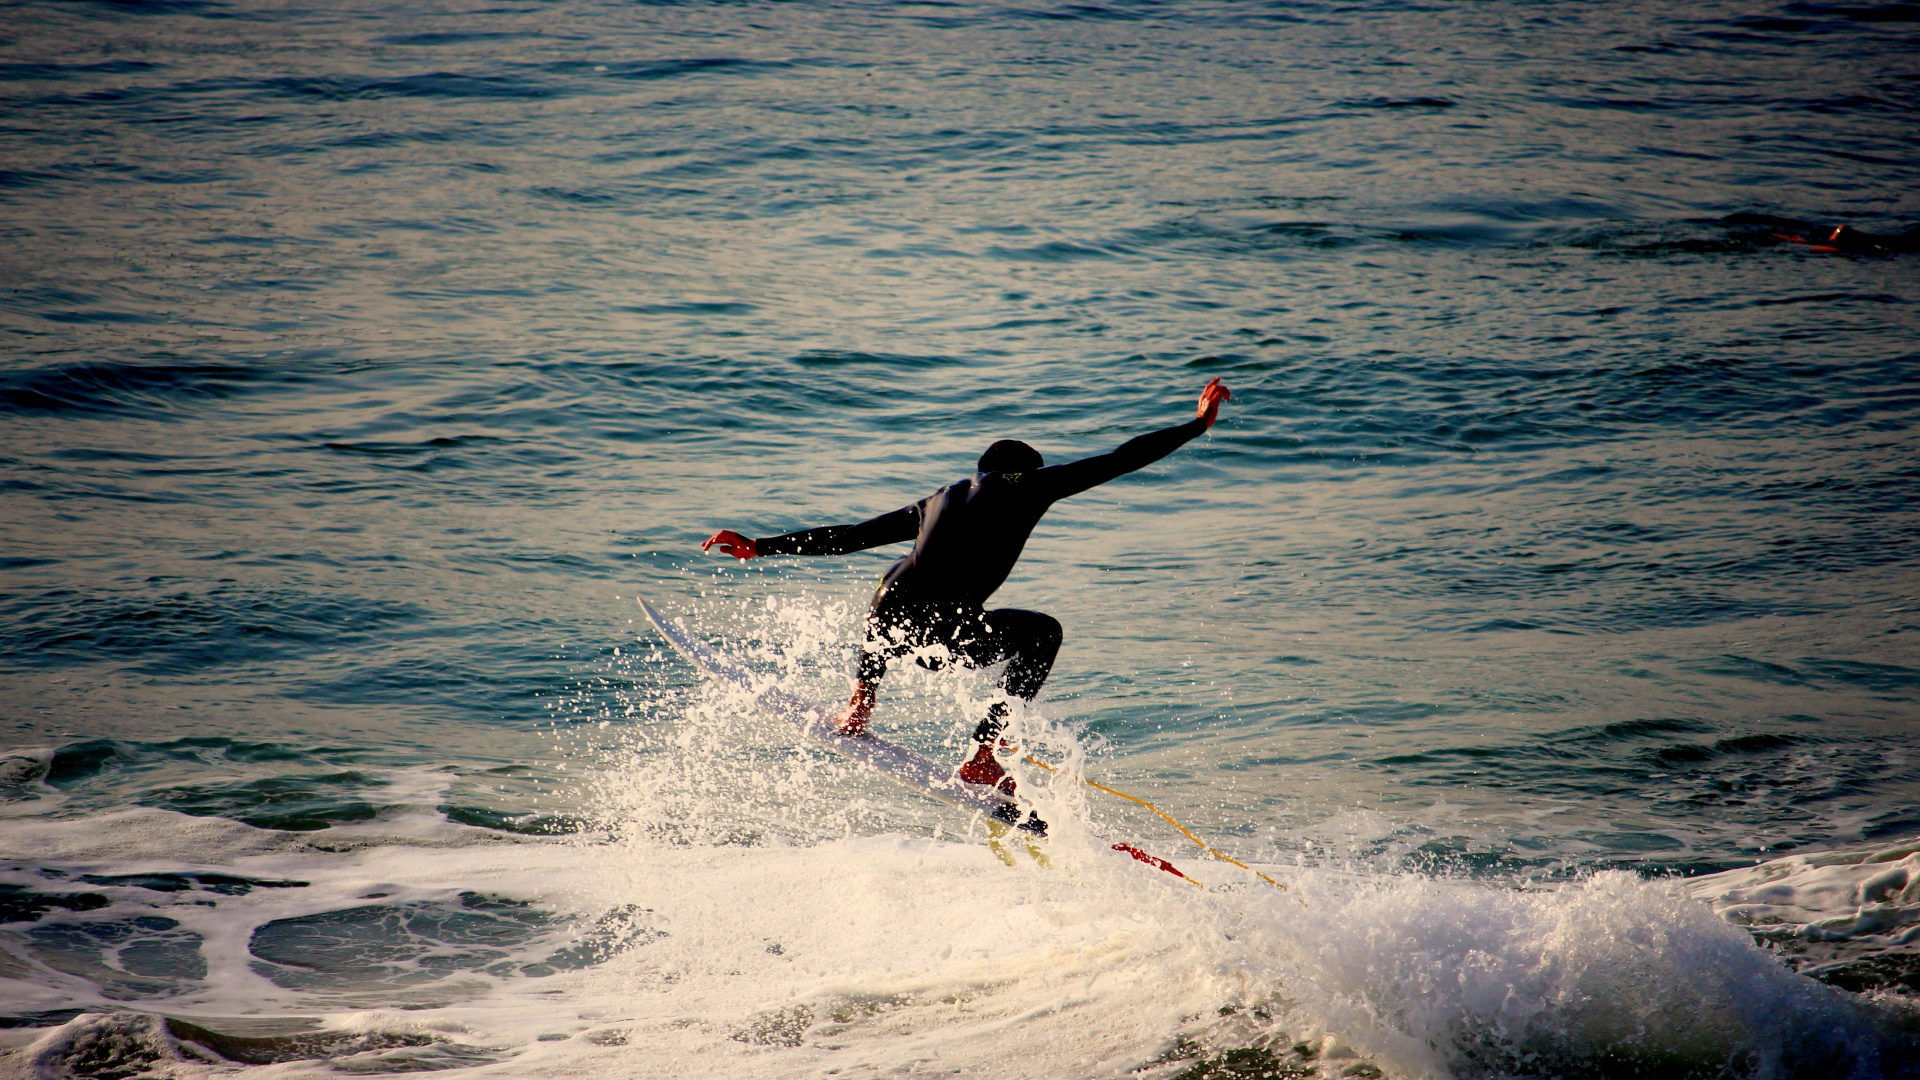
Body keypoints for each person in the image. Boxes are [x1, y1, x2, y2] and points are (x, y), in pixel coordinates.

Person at [702, 377, 1231, 819]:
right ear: (1027, 470)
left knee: (897, 578)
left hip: (892, 622)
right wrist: (1197, 424)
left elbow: (851, 535)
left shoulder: (937, 499)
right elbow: (1121, 458)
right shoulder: (1030, 485)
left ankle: (861, 703)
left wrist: (760, 546)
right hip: (948, 631)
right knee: (1043, 632)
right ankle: (983, 755)